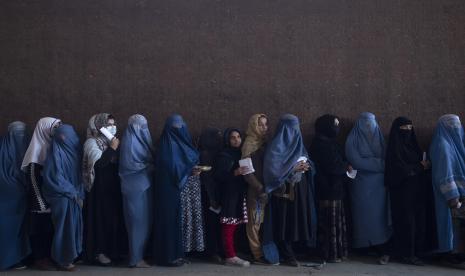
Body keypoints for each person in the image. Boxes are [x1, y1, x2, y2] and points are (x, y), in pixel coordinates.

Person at [263, 114, 317, 267]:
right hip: (283, 192)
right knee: (284, 222)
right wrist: (292, 168)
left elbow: (306, 159)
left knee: (297, 220)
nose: (294, 132)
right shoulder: (275, 147)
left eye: (296, 127)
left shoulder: (299, 144)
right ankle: (286, 252)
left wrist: (307, 166)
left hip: (300, 190)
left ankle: (297, 250)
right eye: (290, 128)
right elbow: (272, 171)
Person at [153, 114, 200, 266]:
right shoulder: (164, 145)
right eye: (175, 125)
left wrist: (190, 170)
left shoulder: (181, 143)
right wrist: (188, 170)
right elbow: (170, 167)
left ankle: (177, 254)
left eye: (181, 124)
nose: (179, 128)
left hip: (177, 189)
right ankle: (166, 257)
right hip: (166, 188)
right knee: (167, 221)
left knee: (176, 221)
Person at [345, 112, 392, 264]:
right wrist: (379, 165)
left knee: (379, 217)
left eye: (371, 123)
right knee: (364, 217)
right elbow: (356, 160)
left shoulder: (379, 138)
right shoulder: (352, 139)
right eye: (365, 123)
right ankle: (364, 245)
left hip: (379, 187)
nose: (368, 126)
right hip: (361, 185)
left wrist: (374, 163)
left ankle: (380, 246)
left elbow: (387, 157)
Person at [385, 117, 430, 265]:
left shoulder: (413, 146)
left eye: (410, 128)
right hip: (402, 193)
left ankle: (417, 252)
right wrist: (419, 167)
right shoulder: (394, 149)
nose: (408, 131)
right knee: (406, 223)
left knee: (419, 221)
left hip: (416, 191)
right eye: (404, 128)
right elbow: (399, 170)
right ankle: (407, 254)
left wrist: (422, 166)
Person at [83, 113, 127, 266]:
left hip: (111, 187)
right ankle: (99, 252)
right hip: (98, 189)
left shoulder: (108, 142)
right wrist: (113, 149)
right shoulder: (91, 143)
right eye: (108, 125)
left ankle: (112, 251)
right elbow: (99, 164)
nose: (112, 127)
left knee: (112, 219)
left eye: (113, 124)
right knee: (100, 220)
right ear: (98, 126)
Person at [21, 117, 62, 270]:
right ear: (44, 129)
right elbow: (33, 178)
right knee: (39, 228)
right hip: (39, 200)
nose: (57, 129)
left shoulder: (51, 146)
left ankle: (48, 257)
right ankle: (40, 258)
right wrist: (40, 202)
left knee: (48, 228)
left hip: (49, 197)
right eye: (55, 127)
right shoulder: (35, 152)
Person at [42, 124, 83, 271]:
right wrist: (72, 192)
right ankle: (63, 259)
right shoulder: (55, 154)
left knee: (74, 225)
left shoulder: (76, 152)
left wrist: (79, 193)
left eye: (69, 135)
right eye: (63, 136)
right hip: (61, 196)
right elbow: (54, 178)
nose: (66, 138)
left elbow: (80, 175)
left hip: (75, 195)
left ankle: (72, 255)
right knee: (64, 227)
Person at [309, 114, 349, 263]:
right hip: (327, 188)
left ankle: (336, 252)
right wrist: (345, 166)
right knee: (328, 221)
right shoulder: (320, 144)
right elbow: (333, 166)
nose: (336, 128)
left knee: (335, 219)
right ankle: (329, 252)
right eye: (334, 125)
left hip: (335, 187)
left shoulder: (330, 143)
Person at [119, 114, 154, 268]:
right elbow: (129, 166)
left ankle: (139, 255)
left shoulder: (142, 141)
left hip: (144, 186)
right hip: (133, 188)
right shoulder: (129, 142)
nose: (144, 130)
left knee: (144, 222)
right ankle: (135, 258)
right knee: (136, 223)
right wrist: (151, 167)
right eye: (141, 126)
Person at [430, 114, 465, 266]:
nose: (456, 128)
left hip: (460, 195)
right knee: (451, 226)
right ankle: (449, 253)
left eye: (457, 124)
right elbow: (443, 173)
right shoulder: (442, 145)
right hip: (451, 196)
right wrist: (452, 196)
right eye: (452, 124)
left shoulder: (456, 144)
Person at [214, 128, 250, 267]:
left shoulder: (241, 153)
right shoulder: (224, 155)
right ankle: (230, 256)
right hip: (229, 194)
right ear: (227, 140)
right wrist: (235, 172)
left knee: (236, 224)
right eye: (232, 138)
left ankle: (234, 253)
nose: (237, 140)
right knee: (229, 224)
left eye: (238, 136)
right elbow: (219, 176)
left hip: (239, 193)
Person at [241, 114, 273, 265]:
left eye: (266, 124)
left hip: (266, 189)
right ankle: (257, 254)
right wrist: (260, 188)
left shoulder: (265, 142)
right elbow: (246, 172)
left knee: (261, 222)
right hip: (256, 190)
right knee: (254, 223)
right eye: (260, 125)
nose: (264, 128)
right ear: (254, 125)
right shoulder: (249, 144)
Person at [0, 122, 31, 270]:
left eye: (23, 133)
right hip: (5, 197)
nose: (20, 137)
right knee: (7, 229)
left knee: (19, 230)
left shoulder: (26, 147)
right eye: (17, 133)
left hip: (21, 195)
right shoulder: (2, 148)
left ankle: (18, 258)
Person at [198, 127, 224, 263]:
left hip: (216, 194)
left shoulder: (218, 152)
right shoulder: (205, 154)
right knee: (212, 224)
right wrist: (213, 199)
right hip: (210, 196)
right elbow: (207, 178)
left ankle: (217, 250)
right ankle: (213, 252)